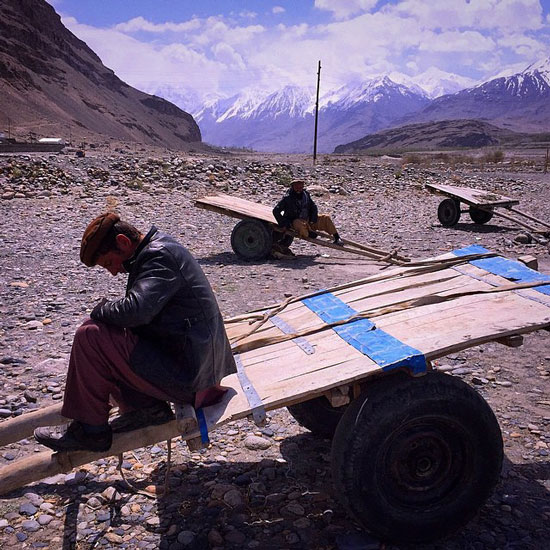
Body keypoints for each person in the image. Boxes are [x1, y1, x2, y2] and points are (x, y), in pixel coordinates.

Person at [34, 213, 236, 452]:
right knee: (106, 331)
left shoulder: (158, 256)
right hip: (194, 364)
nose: (113, 272)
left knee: (89, 335)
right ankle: (145, 409)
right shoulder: (158, 248)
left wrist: (100, 308)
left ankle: (91, 431)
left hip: (193, 377)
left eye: (109, 263)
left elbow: (136, 311)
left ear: (123, 242)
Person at [273, 179, 343, 245]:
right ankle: (309, 233)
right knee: (299, 224)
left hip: (307, 220)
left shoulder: (306, 195)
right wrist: (284, 224)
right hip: (295, 222)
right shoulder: (287, 198)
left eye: (300, 187)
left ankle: (337, 237)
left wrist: (313, 219)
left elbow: (313, 207)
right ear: (293, 187)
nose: (298, 189)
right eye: (296, 187)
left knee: (325, 218)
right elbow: (276, 211)